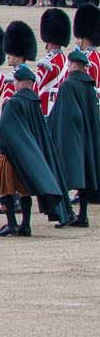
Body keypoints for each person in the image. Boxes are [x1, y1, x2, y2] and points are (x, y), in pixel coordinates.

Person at [0, 66, 72, 236]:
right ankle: (25, 225)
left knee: (4, 189)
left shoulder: (12, 102)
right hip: (31, 156)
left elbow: (4, 129)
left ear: (20, 83)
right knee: (24, 190)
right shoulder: (35, 103)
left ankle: (12, 223)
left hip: (11, 155)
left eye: (15, 82)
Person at [47, 47, 100, 228]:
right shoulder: (89, 86)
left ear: (73, 64)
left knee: (67, 174)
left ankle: (67, 214)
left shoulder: (69, 85)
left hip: (71, 138)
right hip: (87, 137)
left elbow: (65, 115)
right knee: (84, 176)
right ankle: (82, 215)